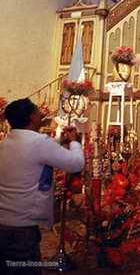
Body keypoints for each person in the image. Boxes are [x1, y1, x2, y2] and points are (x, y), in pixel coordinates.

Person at [0, 98, 84, 275]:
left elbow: (36, 149)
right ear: (32, 117)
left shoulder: (6, 143)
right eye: (38, 112)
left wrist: (60, 140)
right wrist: (75, 142)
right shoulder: (39, 143)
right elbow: (76, 164)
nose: (41, 115)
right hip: (22, 230)